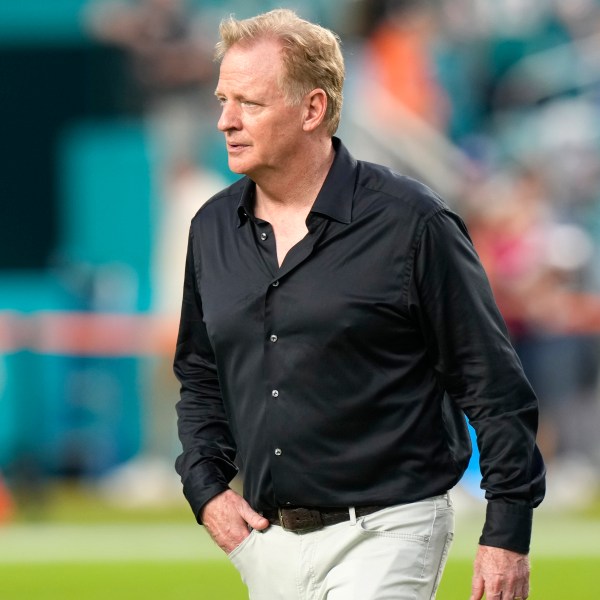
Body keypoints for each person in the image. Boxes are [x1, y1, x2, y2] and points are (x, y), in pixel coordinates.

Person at [173, 9, 545, 600]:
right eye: (223, 99)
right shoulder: (212, 228)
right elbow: (198, 375)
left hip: (389, 530)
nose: (225, 120)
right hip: (265, 542)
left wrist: (507, 532)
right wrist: (207, 490)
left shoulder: (412, 222)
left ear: (313, 108)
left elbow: (493, 383)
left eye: (249, 102)